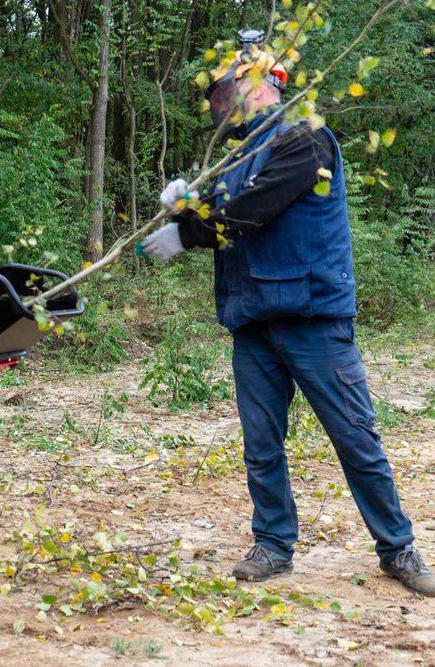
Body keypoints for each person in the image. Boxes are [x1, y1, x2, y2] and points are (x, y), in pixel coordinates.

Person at [141, 30, 434, 596]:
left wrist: (187, 226)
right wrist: (189, 205)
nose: (216, 106)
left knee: (354, 438)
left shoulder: (305, 140)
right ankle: (273, 545)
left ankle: (398, 548)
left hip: (312, 317)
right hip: (252, 320)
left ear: (253, 85)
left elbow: (253, 209)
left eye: (222, 93)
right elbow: (232, 206)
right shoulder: (238, 154)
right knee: (261, 444)